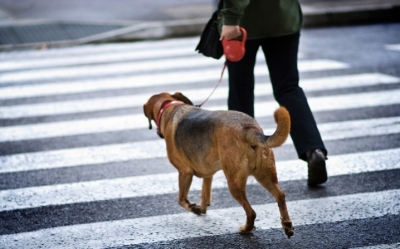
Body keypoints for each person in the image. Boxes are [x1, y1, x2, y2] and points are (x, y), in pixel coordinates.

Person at [218, 0, 328, 186]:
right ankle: (313, 150)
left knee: (241, 89)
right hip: (284, 19)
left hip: (244, 23)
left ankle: (242, 159)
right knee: (289, 88)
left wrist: (230, 17)